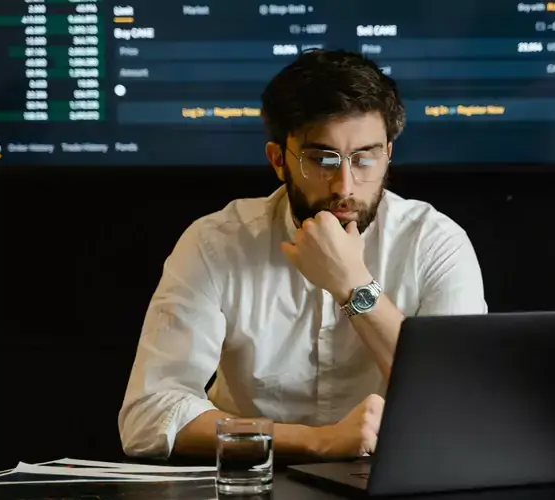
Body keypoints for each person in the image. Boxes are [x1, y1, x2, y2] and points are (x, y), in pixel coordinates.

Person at [118, 49, 487, 462]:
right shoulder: (215, 242)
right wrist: (319, 441)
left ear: (388, 155)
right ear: (279, 160)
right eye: (322, 159)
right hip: (251, 482)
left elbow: (462, 405)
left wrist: (353, 287)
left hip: (395, 481)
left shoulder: (435, 243)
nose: (344, 185)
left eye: (365, 158)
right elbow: (149, 416)